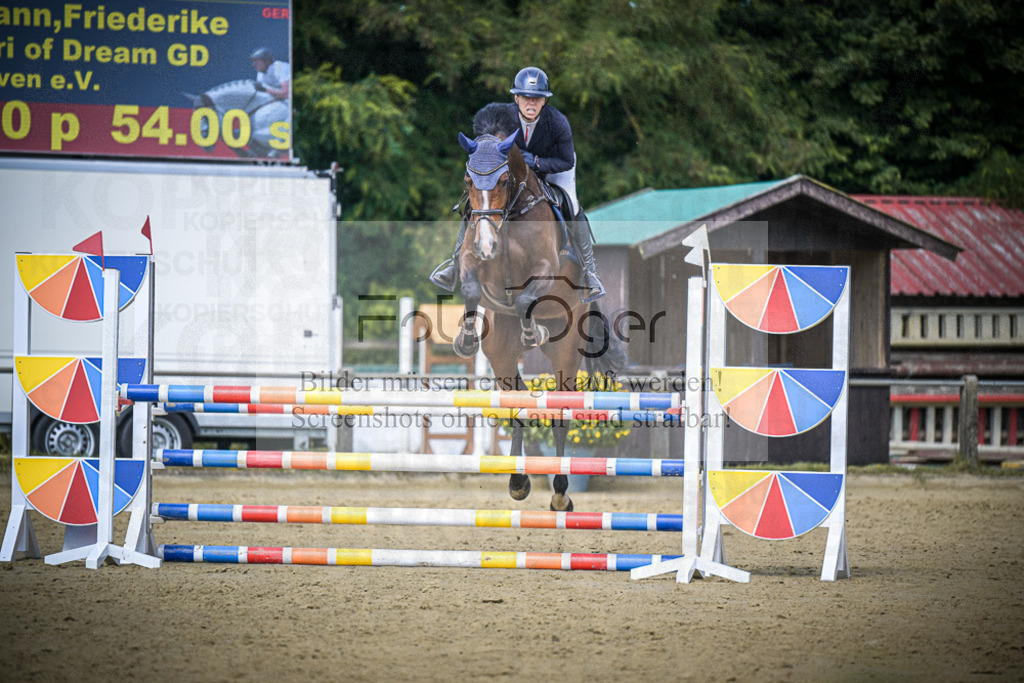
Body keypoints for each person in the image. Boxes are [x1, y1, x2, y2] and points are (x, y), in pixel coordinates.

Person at [431, 66, 605, 303]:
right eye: (525, 97)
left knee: (572, 205)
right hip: (513, 175)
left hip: (553, 169)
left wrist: (537, 162)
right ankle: (454, 264)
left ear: (544, 101)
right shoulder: (503, 119)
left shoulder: (557, 122)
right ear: (516, 98)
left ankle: (589, 272)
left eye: (537, 98)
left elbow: (566, 161)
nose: (531, 103)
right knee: (480, 201)